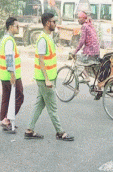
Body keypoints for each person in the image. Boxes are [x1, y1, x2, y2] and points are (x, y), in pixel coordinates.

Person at [25, 12, 74, 141]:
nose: (55, 24)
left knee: (39, 104)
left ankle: (29, 130)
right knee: (52, 107)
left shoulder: (48, 37)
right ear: (48, 23)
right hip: (45, 80)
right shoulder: (43, 39)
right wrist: (47, 79)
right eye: (53, 21)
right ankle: (60, 132)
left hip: (48, 78)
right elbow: (41, 61)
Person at [0, 17, 24, 133]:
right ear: (10, 27)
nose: (18, 28)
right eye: (17, 26)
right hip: (11, 75)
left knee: (6, 98)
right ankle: (7, 119)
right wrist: (12, 74)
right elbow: (9, 58)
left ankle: (4, 119)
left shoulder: (5, 39)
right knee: (19, 96)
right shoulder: (9, 40)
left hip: (4, 75)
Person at [72, 11, 100, 83]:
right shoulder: (90, 25)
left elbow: (82, 41)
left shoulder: (84, 26)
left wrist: (75, 51)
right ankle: (98, 86)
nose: (78, 20)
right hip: (96, 51)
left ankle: (87, 77)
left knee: (78, 62)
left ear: (83, 19)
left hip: (90, 52)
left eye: (79, 18)